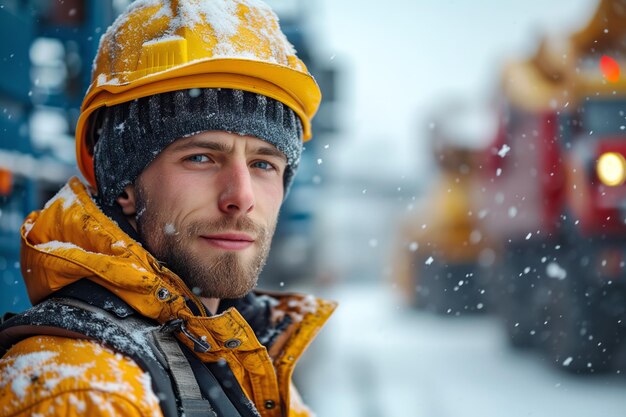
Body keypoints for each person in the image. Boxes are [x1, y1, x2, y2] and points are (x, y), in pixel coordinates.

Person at [0, 1, 336, 416]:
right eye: (201, 158)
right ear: (124, 183)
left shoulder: (239, 358)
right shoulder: (83, 389)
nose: (242, 196)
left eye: (263, 164)